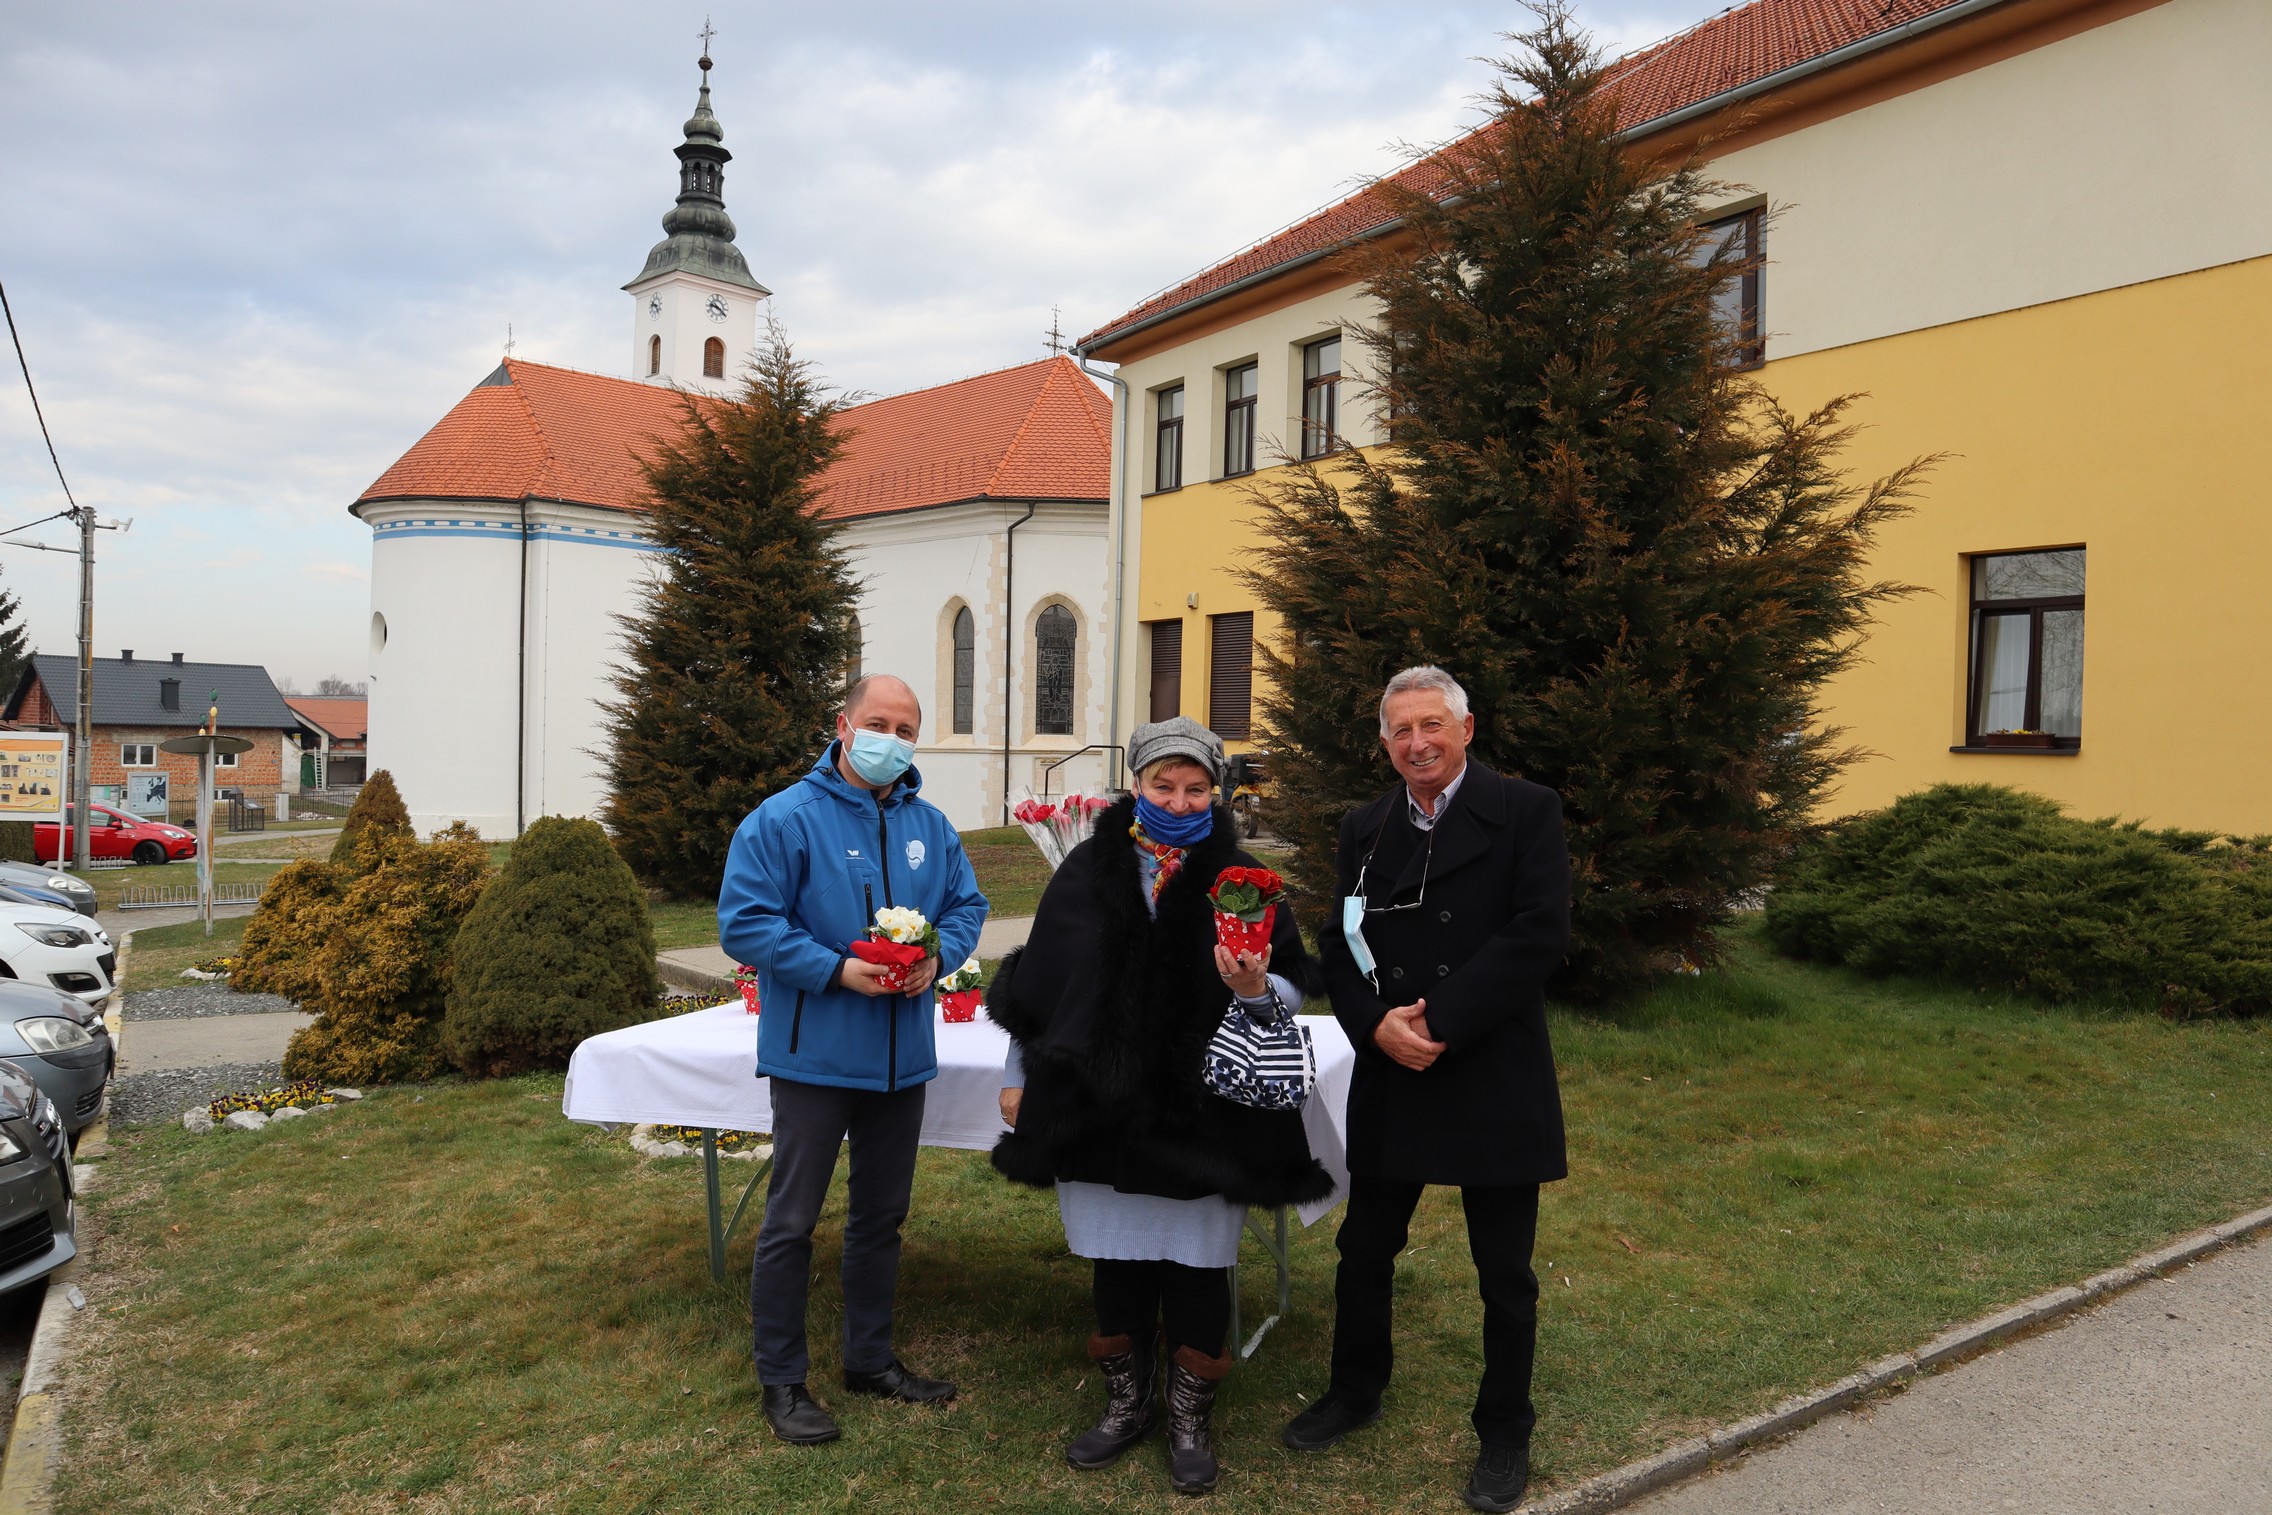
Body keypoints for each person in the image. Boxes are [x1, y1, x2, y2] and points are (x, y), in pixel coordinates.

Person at [987, 716, 1331, 1495]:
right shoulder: (1087, 868)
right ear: (1136, 784)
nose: (1179, 800)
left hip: (1199, 1109)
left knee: (1198, 1263)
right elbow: (1039, 986)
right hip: (1098, 1104)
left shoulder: (1243, 878)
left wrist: (1255, 985)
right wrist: (1016, 1075)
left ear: (1216, 791)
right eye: (1163, 785)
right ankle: (1127, 1404)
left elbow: (1288, 985)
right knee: (1118, 1259)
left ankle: (1188, 1417)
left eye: (1196, 787)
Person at [1280, 666, 1571, 1514]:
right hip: (1392, 1065)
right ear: (1385, 743)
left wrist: (1437, 1020)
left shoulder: (1527, 810)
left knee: (1504, 1271)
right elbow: (1339, 939)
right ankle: (1354, 1389)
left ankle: (1505, 1428)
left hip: (1490, 1062)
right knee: (1365, 1248)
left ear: (1465, 729)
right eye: (1402, 730)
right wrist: (1375, 1025)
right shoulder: (1365, 825)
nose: (1418, 743)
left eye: (1432, 724)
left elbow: (1538, 933)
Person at [717, 674, 989, 1446]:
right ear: (843, 725)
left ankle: (869, 1359)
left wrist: (938, 957)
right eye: (878, 723)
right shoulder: (784, 819)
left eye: (906, 729)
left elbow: (966, 907)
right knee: (792, 1219)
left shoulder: (930, 826)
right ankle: (782, 1379)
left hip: (902, 1061)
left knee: (881, 1216)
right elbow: (745, 922)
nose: (891, 740)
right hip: (815, 1057)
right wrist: (836, 969)